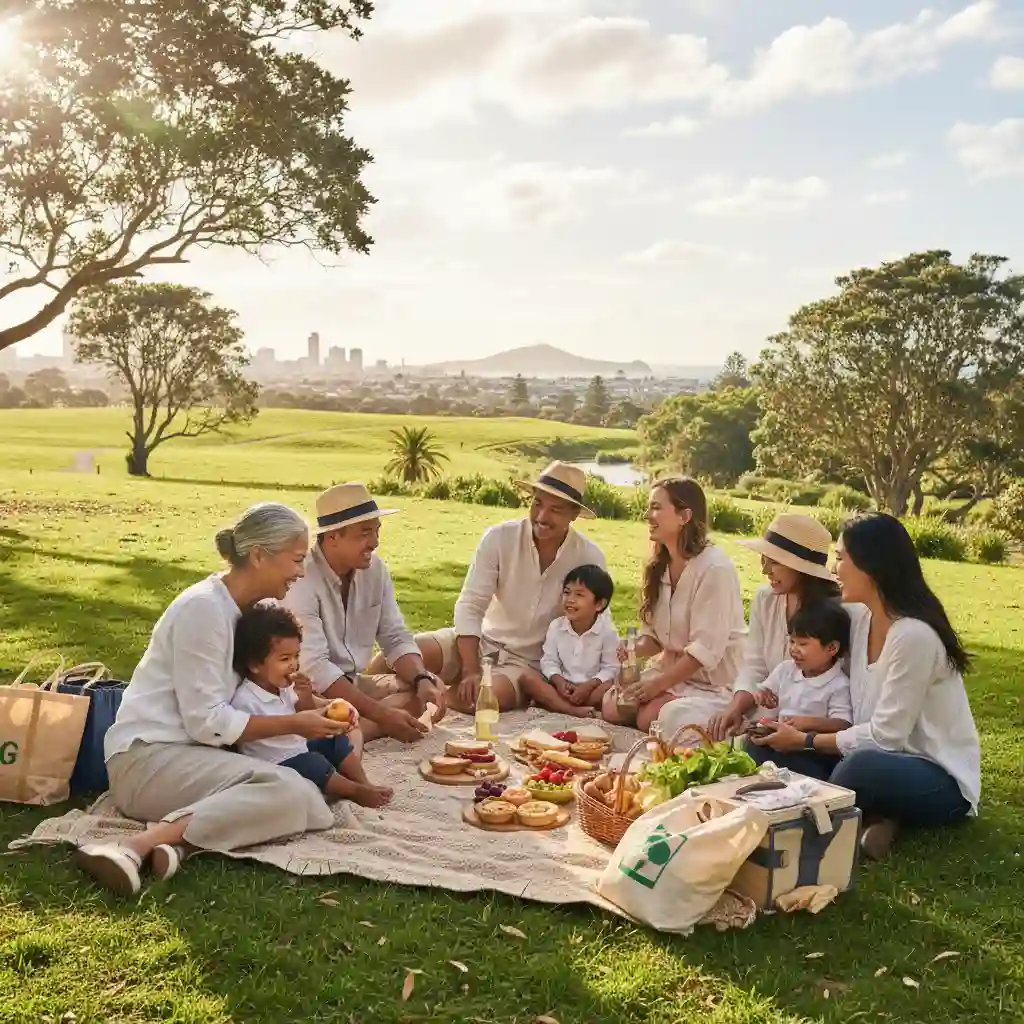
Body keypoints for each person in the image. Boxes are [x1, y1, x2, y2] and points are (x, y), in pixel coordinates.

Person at [76, 503, 344, 897]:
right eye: (296, 560)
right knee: (292, 791)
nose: (301, 572)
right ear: (257, 556)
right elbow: (207, 722)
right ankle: (131, 848)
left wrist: (307, 707)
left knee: (308, 798)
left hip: (195, 756)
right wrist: (294, 724)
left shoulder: (250, 614)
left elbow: (253, 695)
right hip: (146, 760)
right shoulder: (202, 609)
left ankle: (178, 842)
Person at [750, 513, 981, 860]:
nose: (834, 568)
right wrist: (790, 731)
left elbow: (887, 738)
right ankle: (878, 814)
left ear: (870, 566)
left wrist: (806, 741)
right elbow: (820, 658)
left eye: (841, 558)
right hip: (862, 752)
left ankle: (870, 810)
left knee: (858, 769)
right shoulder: (859, 618)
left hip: (933, 776)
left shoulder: (913, 635)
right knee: (760, 745)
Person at [412, 461, 607, 712]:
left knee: (481, 700)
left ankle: (413, 698)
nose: (542, 516)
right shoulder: (499, 537)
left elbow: (597, 623)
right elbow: (471, 605)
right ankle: (374, 695)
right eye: (537, 504)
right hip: (481, 641)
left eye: (555, 510)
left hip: (527, 664)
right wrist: (470, 668)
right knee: (406, 652)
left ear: (573, 514)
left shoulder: (589, 557)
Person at [284, 483, 447, 744]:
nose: (375, 542)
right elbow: (316, 669)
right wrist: (383, 715)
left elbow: (394, 636)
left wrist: (421, 678)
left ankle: (351, 730)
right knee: (402, 708)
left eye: (376, 531)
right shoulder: (301, 578)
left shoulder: (375, 571)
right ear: (333, 536)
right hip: (310, 694)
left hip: (355, 683)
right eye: (364, 533)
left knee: (430, 688)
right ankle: (348, 732)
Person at [602, 478, 746, 735]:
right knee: (614, 707)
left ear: (684, 516)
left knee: (650, 718)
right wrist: (633, 647)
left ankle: (715, 722)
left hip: (710, 682)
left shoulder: (715, 569)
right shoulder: (660, 564)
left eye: (656, 508)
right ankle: (661, 704)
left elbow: (704, 652)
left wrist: (656, 686)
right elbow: (656, 638)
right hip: (668, 670)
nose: (648, 515)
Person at [230, 605, 393, 808]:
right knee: (313, 763)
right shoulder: (246, 699)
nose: (294, 665)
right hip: (275, 763)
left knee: (333, 741)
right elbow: (249, 732)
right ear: (255, 665)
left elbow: (305, 716)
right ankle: (355, 791)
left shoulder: (283, 686)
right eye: (284, 659)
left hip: (297, 747)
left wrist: (306, 696)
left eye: (296, 656)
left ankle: (363, 782)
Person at [708, 513, 841, 740]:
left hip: (806, 723)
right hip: (758, 706)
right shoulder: (765, 598)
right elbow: (754, 664)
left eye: (775, 562)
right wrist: (737, 706)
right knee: (679, 715)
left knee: (738, 743)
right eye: (764, 559)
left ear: (801, 568)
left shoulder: (835, 612)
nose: (765, 571)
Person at [736, 601, 852, 777]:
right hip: (780, 742)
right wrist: (762, 696)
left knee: (807, 767)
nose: (794, 650)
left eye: (803, 644)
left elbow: (843, 724)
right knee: (752, 745)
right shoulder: (786, 670)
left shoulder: (838, 684)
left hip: (811, 751)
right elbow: (764, 691)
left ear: (831, 648)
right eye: (792, 641)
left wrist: (807, 723)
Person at [519, 564, 619, 718]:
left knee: (611, 685)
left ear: (599, 604)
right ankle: (571, 710)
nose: (570, 600)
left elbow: (611, 668)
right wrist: (559, 682)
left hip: (591, 689)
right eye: (567, 593)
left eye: (579, 595)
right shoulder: (556, 626)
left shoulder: (607, 631)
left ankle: (556, 705)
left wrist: (589, 686)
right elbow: (549, 661)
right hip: (562, 687)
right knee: (528, 678)